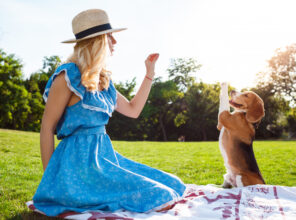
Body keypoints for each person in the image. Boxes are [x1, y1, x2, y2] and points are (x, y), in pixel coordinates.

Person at [32, 9, 186, 217]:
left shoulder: (103, 80)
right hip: (77, 164)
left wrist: (149, 74)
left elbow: (133, 110)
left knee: (174, 184)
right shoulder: (67, 76)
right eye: (110, 36)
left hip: (104, 158)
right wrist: (50, 179)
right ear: (97, 41)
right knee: (161, 195)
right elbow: (46, 127)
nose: (115, 41)